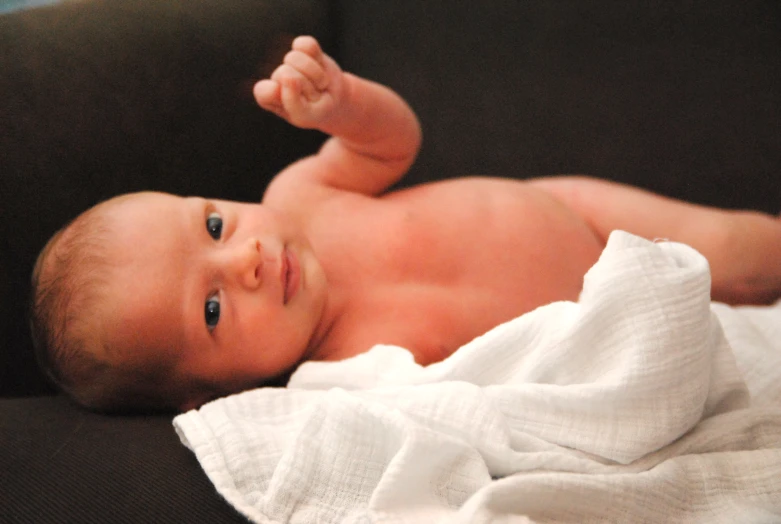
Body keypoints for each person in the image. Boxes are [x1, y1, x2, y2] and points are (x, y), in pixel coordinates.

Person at [30, 36, 781, 413]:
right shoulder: (340, 385)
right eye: (214, 308)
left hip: (579, 214)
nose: (246, 262)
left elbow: (393, 144)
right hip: (607, 332)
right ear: (213, 394)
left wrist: (342, 105)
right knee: (734, 353)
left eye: (215, 228)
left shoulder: (302, 194)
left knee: (741, 253)